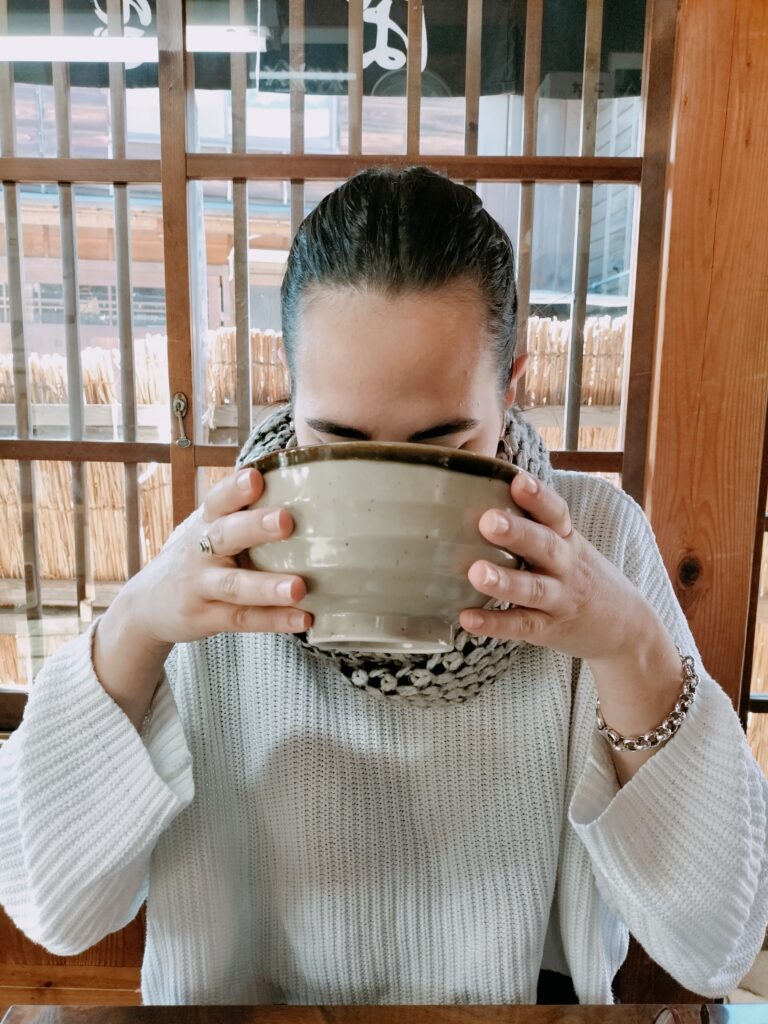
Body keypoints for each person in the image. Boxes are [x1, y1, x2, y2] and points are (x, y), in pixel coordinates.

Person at [1, 166, 766, 1006]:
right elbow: (54, 909)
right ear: (292, 394)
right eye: (338, 438)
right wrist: (134, 629)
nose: (388, 484)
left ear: (509, 391)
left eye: (445, 441)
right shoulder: (221, 556)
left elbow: (719, 943)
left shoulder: (590, 544)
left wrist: (630, 646)